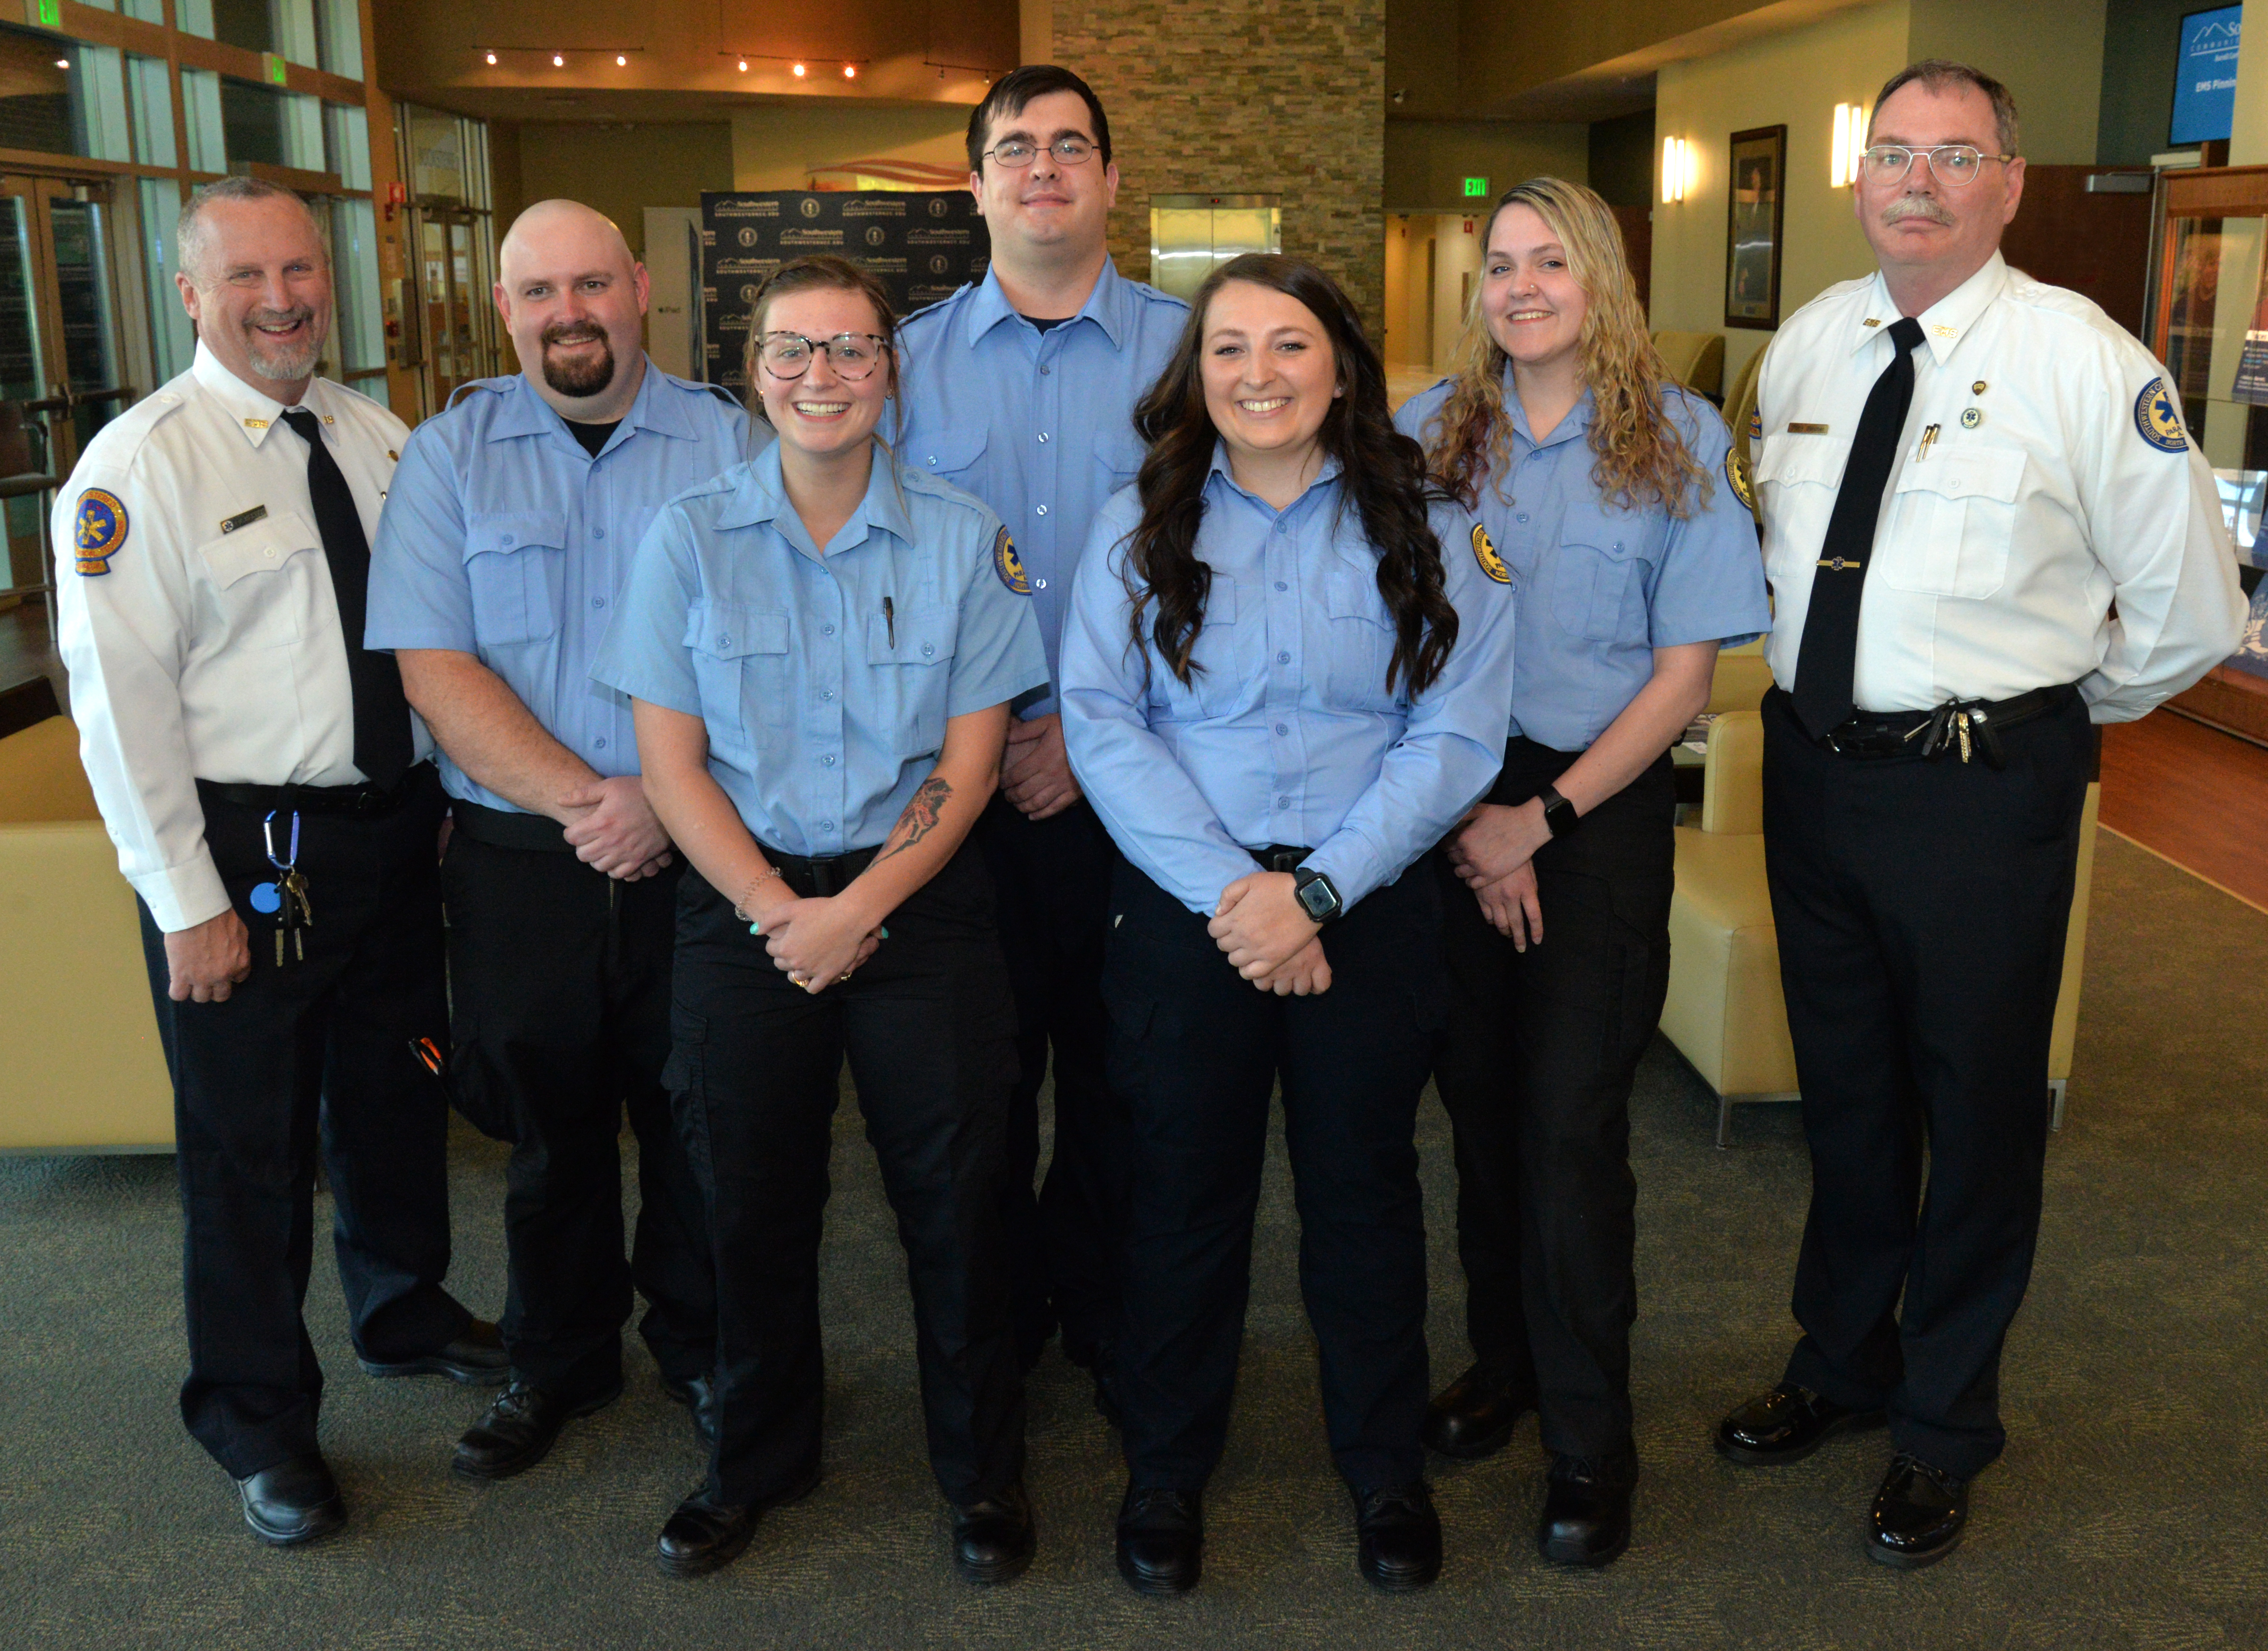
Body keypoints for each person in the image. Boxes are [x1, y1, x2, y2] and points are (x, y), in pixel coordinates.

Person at [1718, 61, 2246, 1568]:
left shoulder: (2084, 360)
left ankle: (1945, 1422)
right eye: (1895, 152)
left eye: (1956, 156)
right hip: (1814, 777)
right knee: (1852, 1097)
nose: (1919, 181)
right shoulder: (1816, 343)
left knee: (1979, 1110)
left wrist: (2042, 713)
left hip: (1980, 795)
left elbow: (2190, 609)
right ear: (1861, 176)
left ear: (2009, 183)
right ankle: (1840, 1362)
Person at [52, 177, 503, 1547]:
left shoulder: (377, 437)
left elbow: (427, 641)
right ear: (193, 294)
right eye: (246, 276)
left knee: (395, 1095)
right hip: (245, 850)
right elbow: (117, 710)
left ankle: (401, 1305)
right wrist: (185, 902)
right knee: (247, 1146)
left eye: (300, 270)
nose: (282, 298)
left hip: (386, 834)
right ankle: (256, 1413)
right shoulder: (141, 468)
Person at [1060, 254, 1516, 1595]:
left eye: (1290, 345)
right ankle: (1165, 1471)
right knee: (1179, 1201)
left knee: (1364, 1200)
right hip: (1189, 907)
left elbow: (1456, 732)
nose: (1257, 373)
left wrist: (1313, 893)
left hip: (1362, 906)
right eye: (1228, 349)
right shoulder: (1133, 523)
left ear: (1342, 367)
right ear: (1194, 375)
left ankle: (1385, 1473)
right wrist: (1235, 895)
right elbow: (1102, 721)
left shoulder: (1427, 518)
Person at [590, 256, 1048, 1582]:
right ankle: (754, 1460)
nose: (822, 376)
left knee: (958, 1200)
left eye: (851, 350)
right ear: (754, 371)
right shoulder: (686, 536)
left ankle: (981, 1472)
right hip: (746, 903)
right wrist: (777, 909)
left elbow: (969, 766)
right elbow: (669, 766)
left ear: (889, 373)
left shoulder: (962, 536)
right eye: (793, 351)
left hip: (920, 903)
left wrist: (856, 909)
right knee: (744, 1199)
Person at [1397, 177, 1772, 1569]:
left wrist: (1536, 819)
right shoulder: (1429, 434)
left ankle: (1590, 1438)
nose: (1522, 286)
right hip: (1450, 805)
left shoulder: (1676, 438)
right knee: (1482, 1116)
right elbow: (1390, 639)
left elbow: (1685, 679)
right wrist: (1465, 819)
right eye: (1500, 264)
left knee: (1568, 1133)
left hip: (1593, 815)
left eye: (1551, 261)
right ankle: (1505, 1362)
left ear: (1602, 279)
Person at [367, 200, 756, 1480]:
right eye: (539, 292)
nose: (568, 314)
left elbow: (770, 655)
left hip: (695, 844)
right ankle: (558, 1356)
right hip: (519, 861)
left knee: (699, 1115)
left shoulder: (735, 442)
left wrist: (661, 796)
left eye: (592, 284)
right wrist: (592, 802)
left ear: (641, 288)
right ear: (503, 307)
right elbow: (435, 667)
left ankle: (704, 1348)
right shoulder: (450, 454)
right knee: (548, 1131)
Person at [895, 64, 1187, 1404]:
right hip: (965, 793)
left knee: (1132, 1079)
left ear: (1113, 178)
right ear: (977, 183)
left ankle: (1115, 1317)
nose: (1044, 168)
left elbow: (1223, 570)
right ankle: (997, 1322)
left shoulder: (1199, 354)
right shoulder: (896, 363)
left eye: (1073, 145)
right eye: (1016, 147)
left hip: (1146, 788)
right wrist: (1002, 735)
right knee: (982, 1088)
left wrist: (1085, 731)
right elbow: (880, 577)